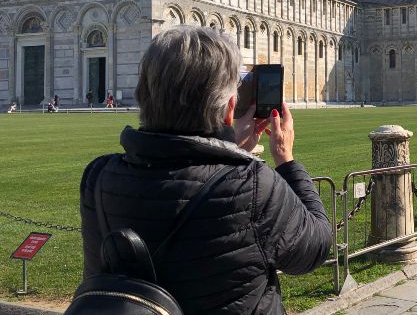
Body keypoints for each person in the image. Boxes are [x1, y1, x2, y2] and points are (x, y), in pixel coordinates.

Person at [79, 26, 331, 313]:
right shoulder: (252, 186)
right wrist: (285, 158)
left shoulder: (98, 177)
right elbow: (316, 247)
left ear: (144, 94)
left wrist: (232, 149)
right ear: (230, 108)